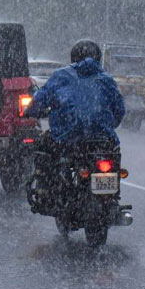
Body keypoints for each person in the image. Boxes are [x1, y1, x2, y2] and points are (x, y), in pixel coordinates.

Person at [24, 40, 125, 204]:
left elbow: (39, 101)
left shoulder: (60, 76)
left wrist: (30, 112)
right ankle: (112, 197)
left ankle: (47, 194)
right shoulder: (107, 80)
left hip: (67, 138)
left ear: (73, 57)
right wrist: (107, 125)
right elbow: (119, 109)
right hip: (101, 138)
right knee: (113, 154)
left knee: (44, 150)